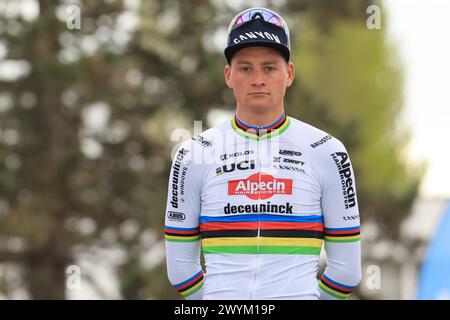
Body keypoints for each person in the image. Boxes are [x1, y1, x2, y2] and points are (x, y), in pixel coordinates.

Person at [164, 7, 361, 300]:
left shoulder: (327, 152)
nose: (258, 79)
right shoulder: (193, 154)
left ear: (289, 74)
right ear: (229, 75)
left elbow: (347, 270)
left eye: (269, 67)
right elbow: (180, 268)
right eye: (246, 68)